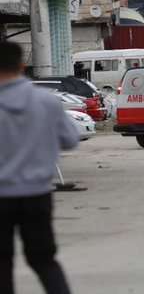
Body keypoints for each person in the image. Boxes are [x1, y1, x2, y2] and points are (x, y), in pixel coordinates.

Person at [0, 41, 78, 294]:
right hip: (37, 194)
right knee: (43, 260)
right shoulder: (46, 100)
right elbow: (69, 140)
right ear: (22, 64)